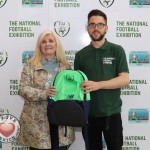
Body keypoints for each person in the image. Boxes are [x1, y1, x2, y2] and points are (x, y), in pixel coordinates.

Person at [74, 9, 129, 150]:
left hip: (112, 114)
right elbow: (78, 87)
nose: (96, 28)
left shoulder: (117, 50)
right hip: (89, 115)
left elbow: (124, 79)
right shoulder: (81, 55)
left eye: (100, 24)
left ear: (106, 28)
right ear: (87, 28)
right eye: (92, 25)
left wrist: (99, 85)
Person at [17, 30, 75, 150]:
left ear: (56, 44)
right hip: (37, 125)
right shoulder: (30, 65)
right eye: (43, 42)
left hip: (61, 121)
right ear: (39, 46)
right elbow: (23, 89)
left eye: (51, 41)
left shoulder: (66, 67)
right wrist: (45, 93)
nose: (47, 44)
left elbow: (72, 92)